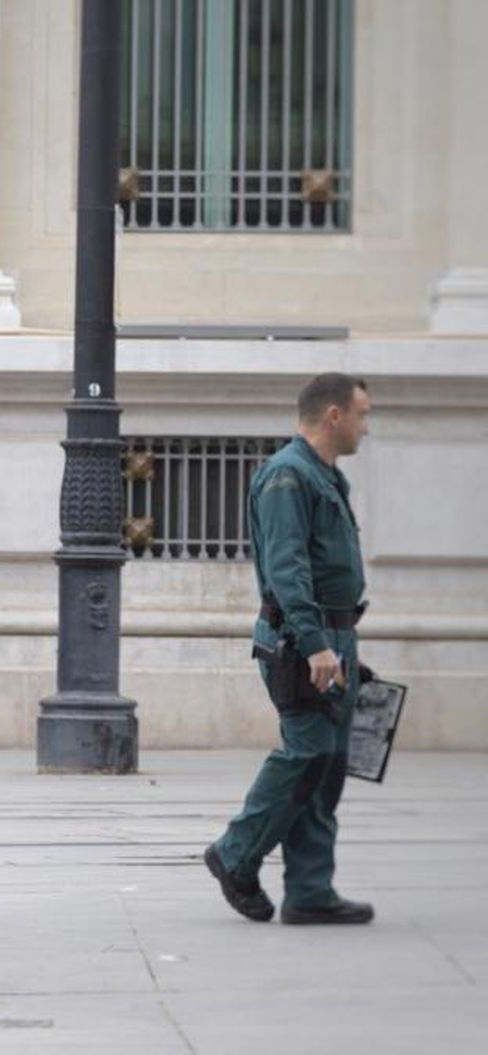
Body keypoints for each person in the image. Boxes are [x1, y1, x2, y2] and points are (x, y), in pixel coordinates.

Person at [204, 373, 376, 927]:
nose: (365, 428)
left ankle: (309, 890)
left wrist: (342, 644)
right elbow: (288, 568)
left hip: (331, 637)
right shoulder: (287, 476)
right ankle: (234, 853)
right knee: (306, 751)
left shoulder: (326, 476)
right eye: (361, 415)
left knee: (327, 764)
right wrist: (316, 645)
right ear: (333, 415)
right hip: (302, 640)